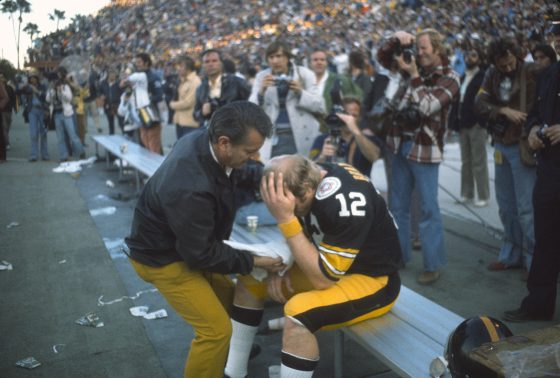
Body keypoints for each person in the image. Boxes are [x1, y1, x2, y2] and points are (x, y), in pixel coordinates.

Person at [125, 101, 283, 378]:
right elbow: (200, 255)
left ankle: (228, 354)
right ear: (224, 143)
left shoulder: (203, 140)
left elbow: (238, 172)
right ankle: (218, 349)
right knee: (215, 331)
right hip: (162, 260)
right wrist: (254, 260)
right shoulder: (190, 187)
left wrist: (269, 177)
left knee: (234, 301)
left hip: (184, 246)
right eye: (249, 151)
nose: (255, 156)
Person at [224, 154, 402, 378]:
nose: (284, 210)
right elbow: (307, 239)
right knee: (252, 277)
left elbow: (323, 278)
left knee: (298, 314)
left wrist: (285, 218)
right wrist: (283, 266)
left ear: (307, 188)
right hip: (332, 264)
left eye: (290, 206)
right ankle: (233, 371)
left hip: (374, 279)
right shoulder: (313, 174)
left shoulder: (343, 199)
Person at [385, 29, 460, 284]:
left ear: (438, 49)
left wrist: (414, 76)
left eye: (424, 48)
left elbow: (428, 107)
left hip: (426, 148)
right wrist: (396, 41)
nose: (419, 53)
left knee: (428, 208)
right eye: (417, 48)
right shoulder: (409, 72)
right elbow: (396, 104)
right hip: (400, 143)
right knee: (397, 206)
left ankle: (432, 264)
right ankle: (399, 257)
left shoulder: (451, 77)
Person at [503, 46, 560, 323]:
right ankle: (538, 303)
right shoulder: (550, 73)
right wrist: (534, 131)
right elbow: (536, 113)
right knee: (545, 238)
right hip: (550, 168)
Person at [474, 37, 539, 277]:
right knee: (506, 207)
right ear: (495, 63)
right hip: (502, 145)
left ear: (517, 56)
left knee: (527, 209)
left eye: (511, 63)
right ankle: (511, 255)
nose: (508, 69)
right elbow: (478, 103)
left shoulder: (531, 70)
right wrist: (503, 111)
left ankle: (535, 263)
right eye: (503, 66)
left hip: (524, 146)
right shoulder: (492, 74)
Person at [249, 40, 325, 161]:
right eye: (271, 57)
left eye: (279, 56)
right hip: (273, 136)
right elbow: (251, 110)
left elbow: (320, 105)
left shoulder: (305, 74)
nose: (275, 61)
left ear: (287, 57)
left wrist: (300, 92)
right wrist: (261, 92)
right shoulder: (261, 77)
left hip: (301, 134)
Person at [448, 47, 490, 207]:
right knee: (466, 161)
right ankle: (467, 193)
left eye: (473, 55)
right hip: (462, 124)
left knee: (479, 161)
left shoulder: (483, 77)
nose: (469, 58)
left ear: (479, 58)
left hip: (476, 125)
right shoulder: (463, 76)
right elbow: (457, 101)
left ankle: (484, 196)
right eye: (467, 55)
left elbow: (485, 101)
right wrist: (453, 123)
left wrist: (481, 121)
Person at [310, 97, 381, 176]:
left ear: (359, 118)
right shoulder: (323, 140)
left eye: (354, 115)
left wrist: (355, 130)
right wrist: (322, 156)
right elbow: (310, 170)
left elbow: (376, 158)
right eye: (347, 114)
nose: (349, 118)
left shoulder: (367, 139)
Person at [193, 49, 250, 128]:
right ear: (203, 65)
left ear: (221, 63)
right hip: (212, 133)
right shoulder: (200, 89)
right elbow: (195, 115)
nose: (211, 64)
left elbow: (251, 106)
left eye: (214, 61)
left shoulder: (237, 82)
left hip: (237, 132)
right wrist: (202, 112)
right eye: (207, 62)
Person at [121, 52, 162, 154]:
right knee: (145, 145)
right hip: (141, 115)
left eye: (139, 62)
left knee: (153, 146)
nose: (137, 64)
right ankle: (148, 168)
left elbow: (160, 96)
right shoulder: (137, 77)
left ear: (146, 63)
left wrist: (146, 99)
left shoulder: (153, 77)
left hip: (151, 115)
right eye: (136, 62)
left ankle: (157, 168)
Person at [46, 70, 85, 162]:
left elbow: (69, 98)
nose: (53, 82)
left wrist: (61, 92)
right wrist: (52, 92)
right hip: (56, 114)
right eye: (51, 81)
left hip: (67, 114)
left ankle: (80, 152)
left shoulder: (65, 87)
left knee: (72, 135)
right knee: (60, 137)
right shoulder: (51, 90)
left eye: (54, 80)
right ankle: (63, 156)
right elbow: (47, 99)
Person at [169, 55, 201, 139]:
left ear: (189, 68)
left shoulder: (195, 81)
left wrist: (172, 105)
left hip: (190, 123)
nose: (178, 68)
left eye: (181, 66)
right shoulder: (182, 80)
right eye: (178, 66)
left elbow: (188, 103)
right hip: (180, 121)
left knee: (189, 150)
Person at [22, 73, 49, 161]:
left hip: (42, 110)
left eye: (34, 78)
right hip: (32, 110)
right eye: (31, 78)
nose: (32, 80)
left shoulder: (43, 86)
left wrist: (36, 91)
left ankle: (45, 155)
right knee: (33, 133)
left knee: (43, 133)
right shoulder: (27, 87)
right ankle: (34, 155)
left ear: (37, 79)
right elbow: (19, 94)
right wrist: (25, 104)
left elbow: (46, 97)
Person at [99, 70, 124, 135]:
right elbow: (99, 91)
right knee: (110, 122)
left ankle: (125, 135)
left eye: (114, 74)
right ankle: (111, 136)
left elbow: (123, 93)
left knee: (121, 122)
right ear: (108, 75)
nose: (113, 76)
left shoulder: (119, 83)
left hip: (118, 105)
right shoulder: (103, 83)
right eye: (111, 74)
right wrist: (101, 95)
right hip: (107, 105)